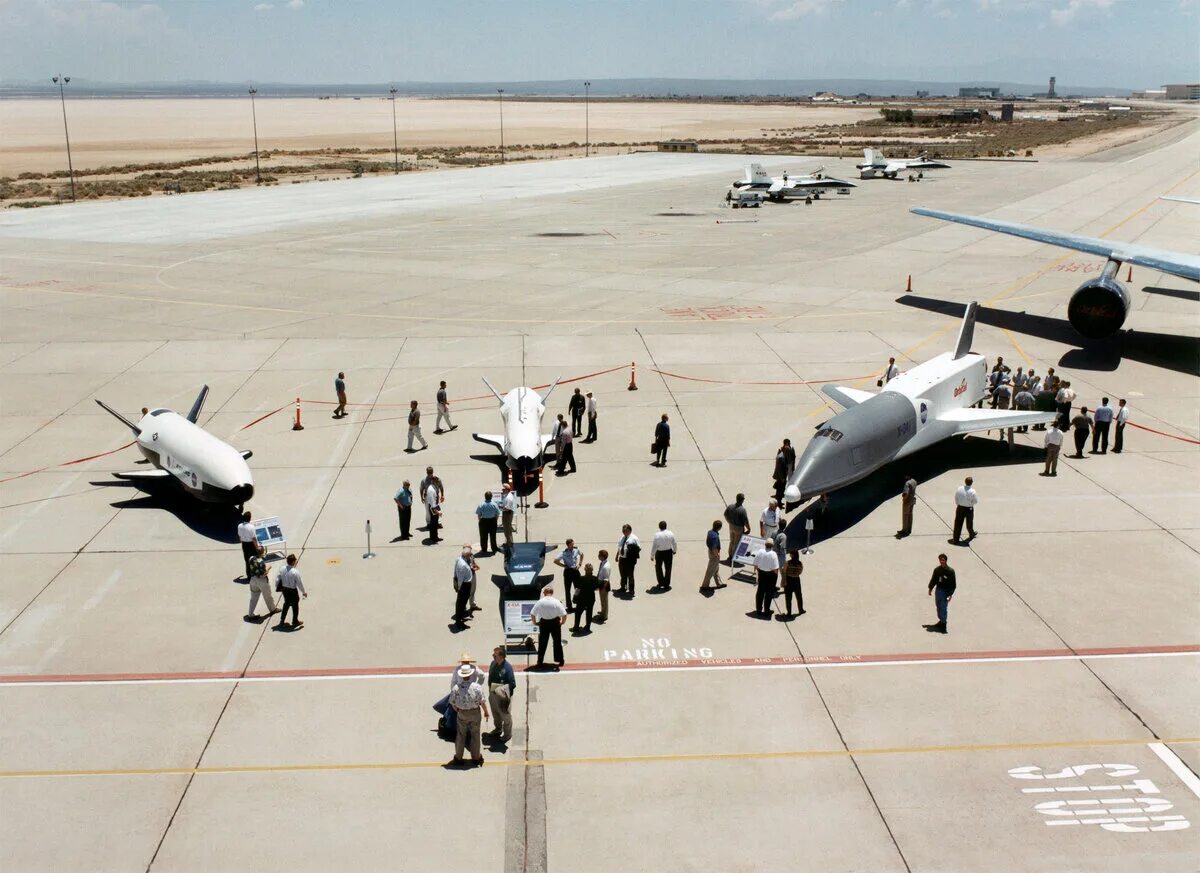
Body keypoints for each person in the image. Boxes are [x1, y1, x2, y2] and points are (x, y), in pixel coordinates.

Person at [449, 663, 489, 768]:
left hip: (462, 713)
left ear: (461, 675)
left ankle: (458, 757)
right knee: (475, 735)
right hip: (475, 713)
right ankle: (476, 757)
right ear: (470, 675)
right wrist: (486, 711)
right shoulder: (477, 687)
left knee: (461, 735)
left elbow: (452, 702)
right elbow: (482, 701)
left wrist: (457, 709)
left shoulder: (456, 688)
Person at [531, 586, 567, 669]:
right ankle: (560, 660)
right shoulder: (556, 602)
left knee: (542, 643)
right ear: (552, 593)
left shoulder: (540, 602)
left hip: (544, 623)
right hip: (555, 623)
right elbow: (564, 614)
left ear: (545, 593)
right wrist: (562, 622)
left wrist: (535, 622)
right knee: (557, 642)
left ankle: (540, 661)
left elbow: (532, 614)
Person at [487, 647, 516, 743]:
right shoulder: (493, 664)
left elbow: (512, 684)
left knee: (505, 716)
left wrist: (500, 689)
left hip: (503, 697)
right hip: (493, 694)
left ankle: (507, 734)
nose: (493, 656)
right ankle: (498, 729)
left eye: (495, 655)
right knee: (495, 713)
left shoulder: (508, 668)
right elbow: (490, 677)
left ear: (501, 656)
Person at [244, 544, 279, 622]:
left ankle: (250, 614)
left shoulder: (251, 558)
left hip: (253, 580)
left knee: (253, 598)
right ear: (263, 552)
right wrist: (269, 568)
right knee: (268, 596)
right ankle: (273, 609)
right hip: (262, 581)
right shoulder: (261, 562)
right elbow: (263, 574)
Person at [926, 553, 957, 634]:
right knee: (938, 606)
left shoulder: (950, 571)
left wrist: (950, 594)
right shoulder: (937, 570)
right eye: (940, 560)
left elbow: (953, 584)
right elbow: (933, 579)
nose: (942, 561)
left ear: (946, 560)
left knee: (943, 607)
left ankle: (944, 625)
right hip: (938, 590)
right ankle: (941, 621)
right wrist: (930, 588)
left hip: (945, 592)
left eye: (943, 560)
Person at [276, 553, 307, 630]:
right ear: (293, 562)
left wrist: (278, 587)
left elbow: (277, 579)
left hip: (284, 590)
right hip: (292, 591)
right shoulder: (295, 572)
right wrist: (304, 592)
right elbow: (300, 583)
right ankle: (295, 621)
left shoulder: (282, 568)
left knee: (286, 604)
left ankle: (282, 621)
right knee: (295, 606)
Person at [553, 539, 582, 610]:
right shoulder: (564, 553)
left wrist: (580, 564)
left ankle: (577, 601)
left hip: (575, 570)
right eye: (572, 544)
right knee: (567, 590)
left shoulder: (576, 550)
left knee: (578, 588)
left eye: (573, 544)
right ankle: (569, 606)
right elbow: (555, 561)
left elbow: (582, 555)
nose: (573, 545)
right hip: (568, 571)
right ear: (568, 545)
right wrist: (563, 566)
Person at [752, 542, 780, 617]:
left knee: (760, 592)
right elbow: (775, 568)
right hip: (770, 575)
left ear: (765, 545)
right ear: (772, 546)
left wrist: (758, 571)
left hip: (761, 574)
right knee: (769, 593)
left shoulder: (760, 551)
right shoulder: (773, 554)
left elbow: (755, 564)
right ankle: (766, 610)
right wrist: (776, 576)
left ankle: (758, 610)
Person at [453, 546, 478, 627]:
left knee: (462, 603)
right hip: (464, 586)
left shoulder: (459, 559)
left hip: (465, 584)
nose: (471, 556)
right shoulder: (463, 565)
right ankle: (459, 622)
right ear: (466, 555)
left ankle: (461, 617)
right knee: (461, 603)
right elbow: (460, 578)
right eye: (470, 554)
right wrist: (459, 589)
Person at [724, 493, 751, 563]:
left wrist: (729, 521)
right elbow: (746, 521)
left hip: (731, 526)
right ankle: (734, 557)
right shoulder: (742, 510)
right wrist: (749, 529)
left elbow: (725, 514)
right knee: (737, 543)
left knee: (732, 541)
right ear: (742, 500)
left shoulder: (730, 506)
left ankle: (730, 555)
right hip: (739, 528)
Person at [573, 563, 600, 632]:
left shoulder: (581, 578)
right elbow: (597, 588)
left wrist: (574, 597)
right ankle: (588, 627)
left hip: (582, 598)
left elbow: (577, 589)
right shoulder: (595, 578)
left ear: (585, 569)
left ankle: (576, 627)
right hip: (591, 598)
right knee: (589, 612)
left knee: (578, 613)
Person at [650, 521, 677, 590]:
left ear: (659, 527)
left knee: (658, 568)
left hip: (659, 553)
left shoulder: (657, 535)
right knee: (668, 568)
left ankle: (661, 582)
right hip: (668, 552)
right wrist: (674, 551)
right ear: (666, 526)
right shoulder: (670, 533)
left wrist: (652, 555)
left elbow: (654, 546)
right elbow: (674, 543)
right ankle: (666, 584)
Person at [950, 477, 977, 545]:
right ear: (971, 483)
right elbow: (975, 501)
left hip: (960, 508)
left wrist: (959, 504)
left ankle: (955, 540)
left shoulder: (959, 489)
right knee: (969, 523)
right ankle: (971, 534)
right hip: (969, 509)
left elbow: (956, 498)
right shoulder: (972, 491)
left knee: (958, 524)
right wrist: (970, 504)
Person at [617, 524, 641, 596]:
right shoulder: (622, 537)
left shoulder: (634, 538)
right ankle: (623, 587)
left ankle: (631, 590)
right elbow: (619, 546)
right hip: (622, 558)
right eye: (623, 531)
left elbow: (639, 548)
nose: (624, 532)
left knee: (630, 575)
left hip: (629, 560)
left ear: (630, 530)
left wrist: (632, 552)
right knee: (622, 574)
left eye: (626, 531)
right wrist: (617, 555)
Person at [701, 520, 725, 592]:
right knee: (710, 570)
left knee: (716, 569)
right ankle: (704, 586)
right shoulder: (715, 536)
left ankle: (719, 583)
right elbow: (714, 548)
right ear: (720, 528)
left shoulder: (710, 532)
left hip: (710, 551)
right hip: (714, 554)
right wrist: (717, 555)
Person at [782, 550, 804, 617]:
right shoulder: (800, 563)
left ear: (793, 555)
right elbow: (800, 572)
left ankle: (789, 613)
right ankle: (801, 610)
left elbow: (784, 572)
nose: (789, 555)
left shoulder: (787, 563)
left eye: (790, 554)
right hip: (797, 580)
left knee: (788, 597)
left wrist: (784, 581)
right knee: (799, 596)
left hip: (789, 580)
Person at [236, 511, 257, 579]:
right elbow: (253, 538)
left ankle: (249, 575)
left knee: (247, 560)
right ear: (250, 518)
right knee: (253, 560)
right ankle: (254, 574)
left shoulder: (239, 526)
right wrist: (256, 547)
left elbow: (240, 537)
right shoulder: (251, 527)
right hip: (251, 545)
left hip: (244, 545)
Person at [596, 549, 612, 622]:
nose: (598, 556)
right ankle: (603, 611)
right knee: (602, 600)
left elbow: (606, 579)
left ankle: (604, 616)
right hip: (601, 584)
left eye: (599, 555)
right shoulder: (603, 562)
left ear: (602, 557)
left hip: (604, 585)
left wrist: (603, 589)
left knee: (604, 601)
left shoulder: (606, 567)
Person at [500, 483, 518, 551]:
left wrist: (501, 508)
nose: (502, 490)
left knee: (507, 528)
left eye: (503, 489)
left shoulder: (508, 498)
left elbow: (508, 508)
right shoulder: (506, 495)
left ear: (507, 490)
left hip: (507, 513)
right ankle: (508, 542)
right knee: (506, 528)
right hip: (506, 512)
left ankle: (509, 544)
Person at [426, 479, 442, 544]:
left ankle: (433, 536)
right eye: (437, 482)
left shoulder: (433, 487)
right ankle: (434, 538)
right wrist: (438, 512)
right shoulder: (431, 490)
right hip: (433, 507)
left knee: (434, 523)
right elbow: (432, 504)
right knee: (434, 523)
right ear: (433, 482)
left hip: (434, 505)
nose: (438, 484)